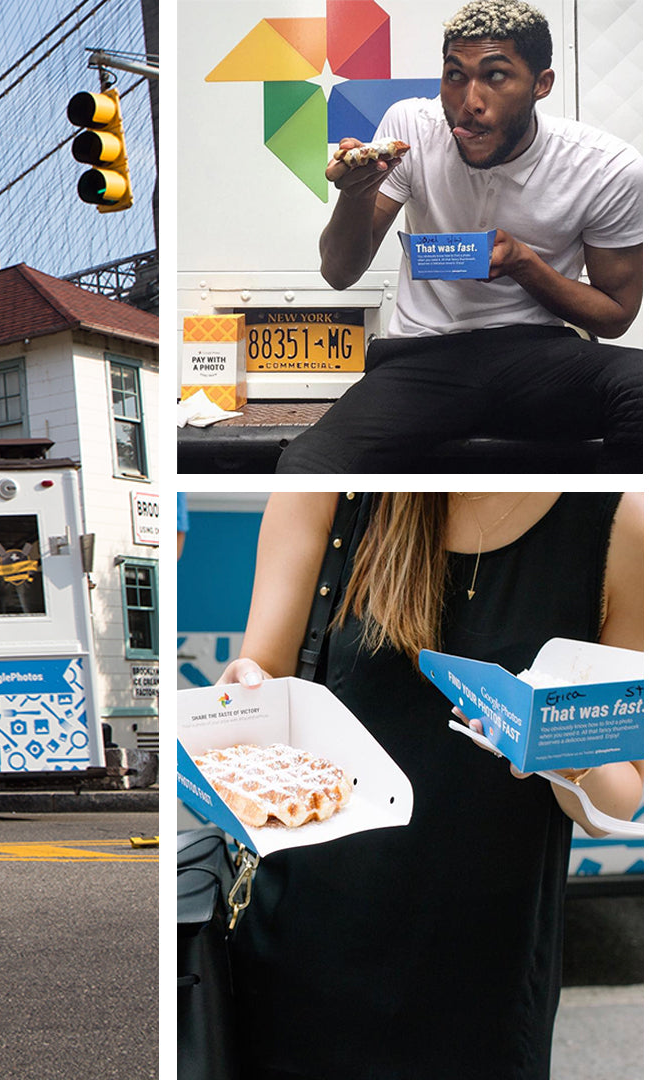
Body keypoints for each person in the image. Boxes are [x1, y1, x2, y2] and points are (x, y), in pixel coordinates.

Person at [217, 492, 643, 1079]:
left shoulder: (622, 524)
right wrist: (239, 697)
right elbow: (259, 679)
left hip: (489, 974)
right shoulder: (330, 492)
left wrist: (556, 745)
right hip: (306, 946)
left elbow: (617, 800)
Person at [278, 0, 642, 473]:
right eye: (455, 76)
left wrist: (524, 265)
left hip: (540, 355)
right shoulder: (412, 125)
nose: (469, 101)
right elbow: (339, 273)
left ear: (541, 85)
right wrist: (357, 194)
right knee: (308, 464)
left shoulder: (606, 167)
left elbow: (614, 316)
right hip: (423, 358)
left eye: (495, 76)